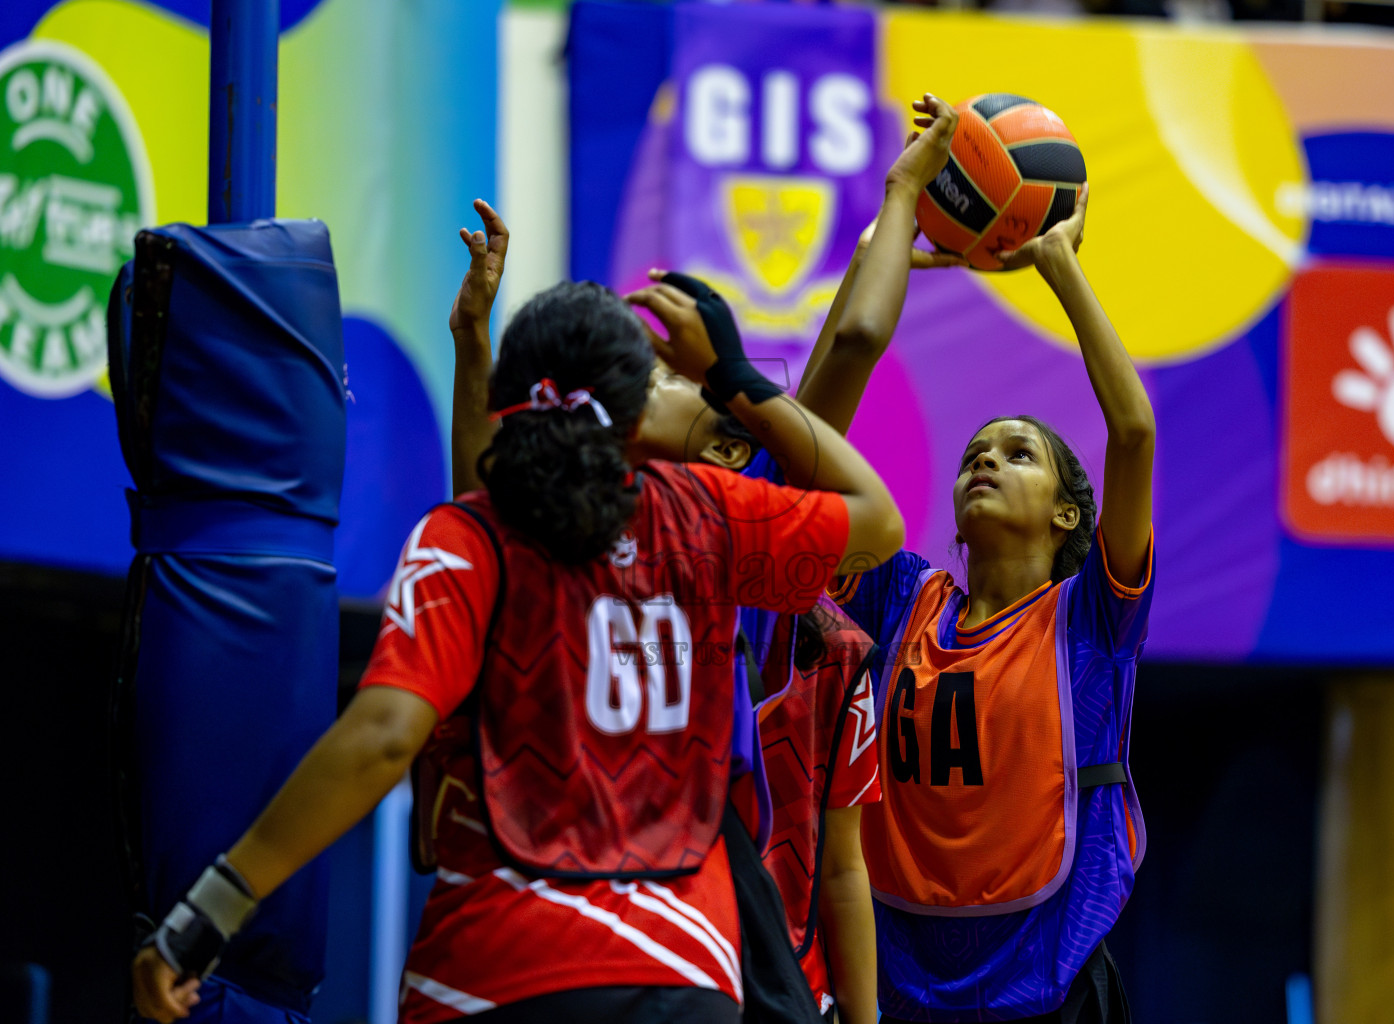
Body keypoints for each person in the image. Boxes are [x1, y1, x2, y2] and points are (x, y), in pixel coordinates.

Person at [130, 204, 905, 1024]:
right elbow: (877, 517)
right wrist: (735, 377)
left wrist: (206, 912)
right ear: (632, 417)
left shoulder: (471, 539)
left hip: (497, 968)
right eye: (659, 374)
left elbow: (385, 732)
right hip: (684, 967)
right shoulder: (709, 516)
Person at [448, 202, 894, 1024]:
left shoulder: (725, 529)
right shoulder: (550, 525)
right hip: (567, 897)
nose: (631, 385)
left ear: (726, 445)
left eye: (660, 376)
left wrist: (892, 208)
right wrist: (474, 345)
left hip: (705, 903)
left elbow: (856, 343)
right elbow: (483, 495)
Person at [802, 93, 1155, 1023]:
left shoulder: (1091, 619)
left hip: (1048, 983)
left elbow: (1133, 429)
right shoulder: (900, 598)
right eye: (974, 454)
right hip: (902, 984)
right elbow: (809, 431)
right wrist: (894, 214)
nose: (986, 460)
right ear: (954, 515)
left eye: (1018, 452)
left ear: (1068, 511)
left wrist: (1060, 270)